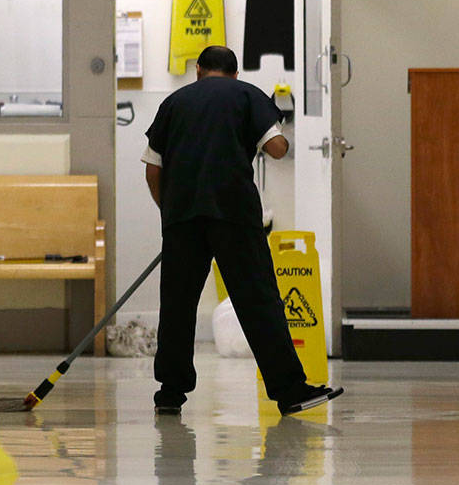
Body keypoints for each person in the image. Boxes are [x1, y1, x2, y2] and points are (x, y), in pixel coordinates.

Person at [142, 45, 343, 416]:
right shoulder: (248, 95)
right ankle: (289, 390)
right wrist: (272, 131)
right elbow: (278, 149)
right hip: (234, 214)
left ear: (199, 70)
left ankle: (170, 395)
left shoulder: (173, 103)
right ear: (235, 74)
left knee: (178, 305)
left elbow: (153, 170)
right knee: (258, 301)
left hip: (182, 217)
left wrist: (169, 211)